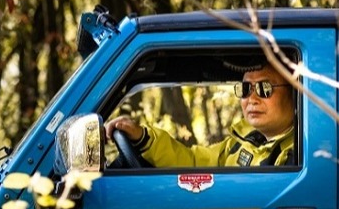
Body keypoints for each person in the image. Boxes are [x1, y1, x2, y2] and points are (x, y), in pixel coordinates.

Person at [104, 62, 297, 168]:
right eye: (245, 88)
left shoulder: (298, 155)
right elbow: (193, 161)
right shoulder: (240, 143)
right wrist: (143, 139)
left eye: (264, 88)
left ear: (295, 92)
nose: (252, 98)